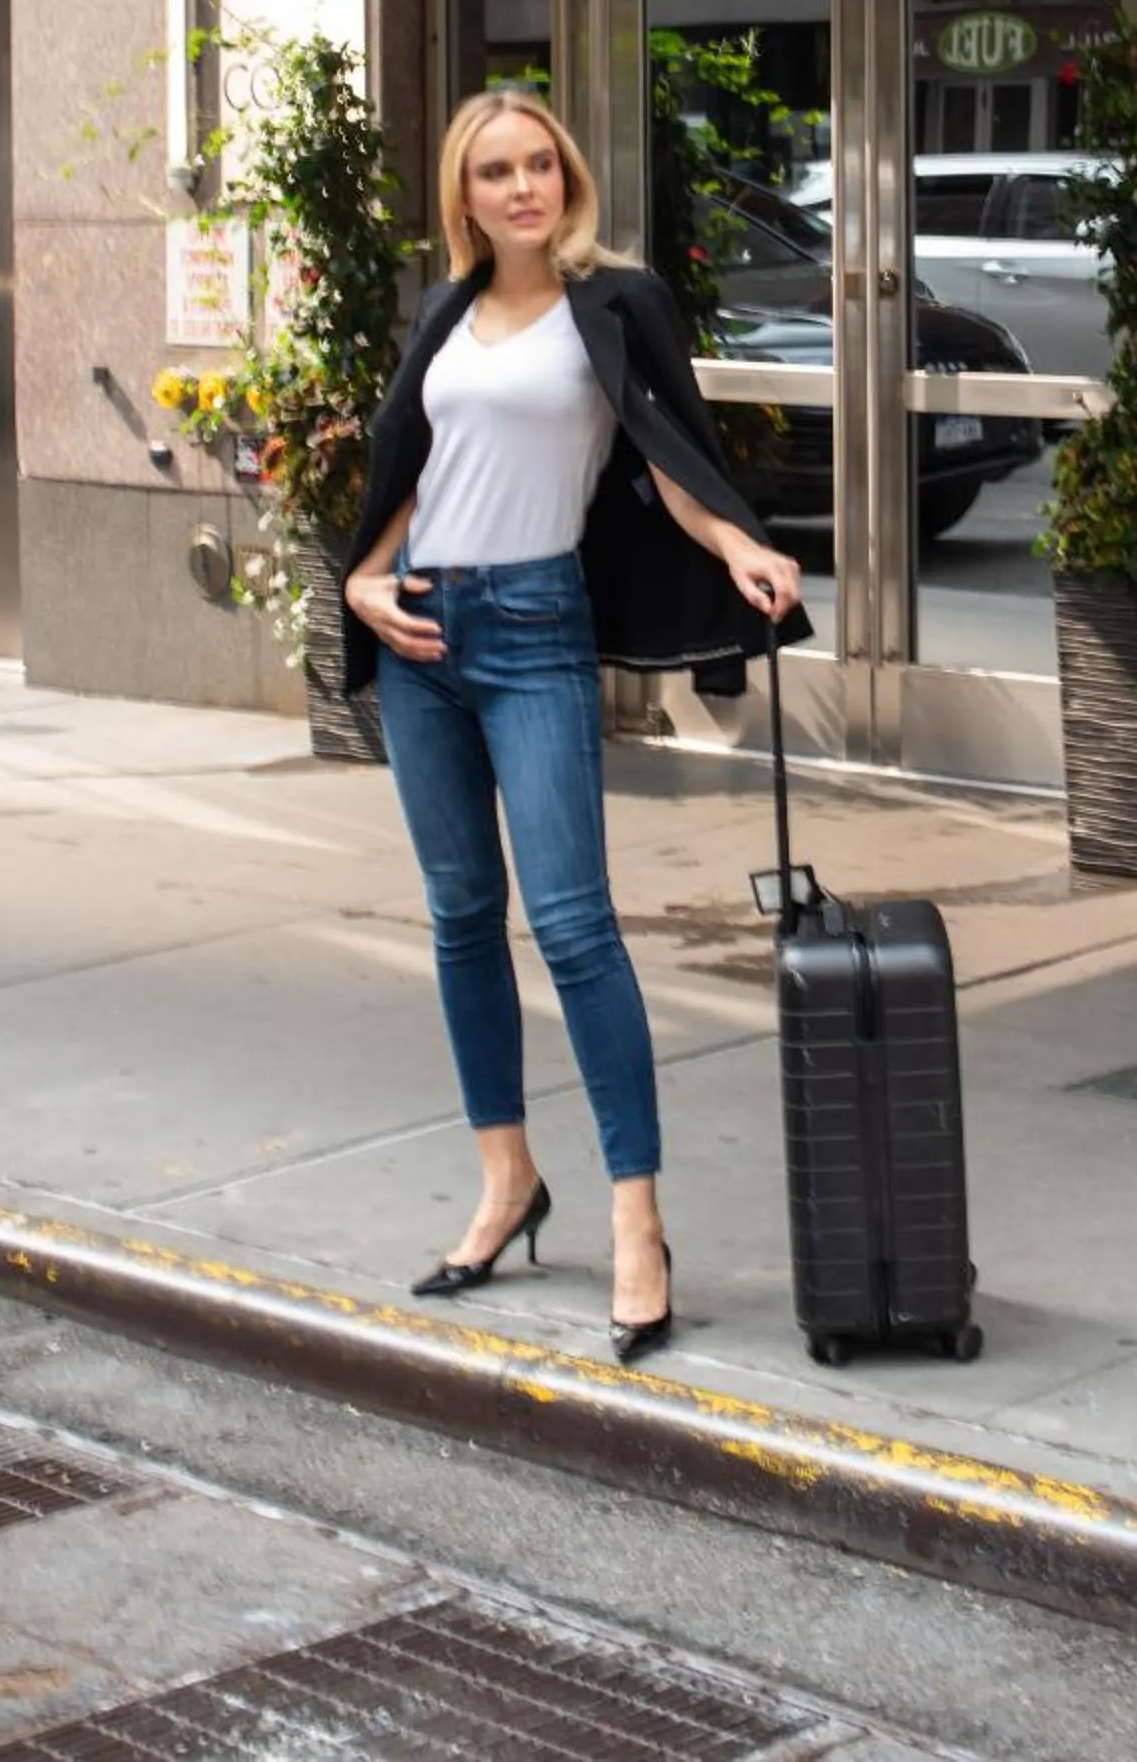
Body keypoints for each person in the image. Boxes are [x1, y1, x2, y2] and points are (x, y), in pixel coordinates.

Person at [341, 88, 805, 1365]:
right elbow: (412, 467)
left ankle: (637, 1221)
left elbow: (668, 453)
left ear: (567, 178)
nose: (523, 187)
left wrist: (743, 545)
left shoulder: (616, 302)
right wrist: (363, 579)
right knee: (456, 918)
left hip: (537, 627)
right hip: (425, 633)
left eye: (539, 164)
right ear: (466, 196)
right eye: (496, 171)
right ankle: (506, 1181)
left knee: (576, 929)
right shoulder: (444, 314)